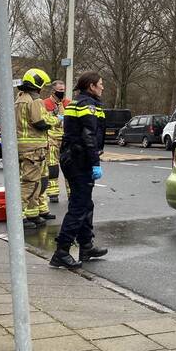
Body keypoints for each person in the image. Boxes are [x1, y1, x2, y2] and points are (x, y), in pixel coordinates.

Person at [50, 72, 108, 269]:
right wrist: (95, 163)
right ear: (91, 86)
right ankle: (62, 251)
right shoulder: (89, 106)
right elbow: (89, 136)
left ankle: (86, 246)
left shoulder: (76, 103)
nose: (102, 87)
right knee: (79, 206)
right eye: (100, 84)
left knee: (86, 203)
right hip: (80, 160)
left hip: (71, 158)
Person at [15, 68, 58, 229]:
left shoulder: (20, 98)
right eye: (42, 85)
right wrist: (54, 121)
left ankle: (32, 214)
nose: (42, 89)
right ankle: (18, 216)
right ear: (37, 84)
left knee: (34, 182)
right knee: (29, 183)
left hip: (25, 147)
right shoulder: (34, 101)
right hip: (33, 149)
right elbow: (39, 123)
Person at [43, 80, 70, 204]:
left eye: (63, 90)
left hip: (66, 140)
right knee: (52, 167)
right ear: (53, 91)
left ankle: (72, 193)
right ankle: (53, 194)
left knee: (69, 167)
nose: (62, 93)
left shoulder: (68, 103)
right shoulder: (45, 104)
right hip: (51, 139)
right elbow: (43, 121)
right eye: (60, 91)